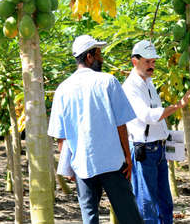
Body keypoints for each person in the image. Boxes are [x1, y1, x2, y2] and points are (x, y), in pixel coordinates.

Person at [47, 35, 143, 224]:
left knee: (89, 217)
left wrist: (68, 165)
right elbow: (120, 123)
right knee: (129, 216)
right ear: (89, 57)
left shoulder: (62, 89)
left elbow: (61, 135)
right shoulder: (108, 81)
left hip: (82, 164)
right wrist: (126, 156)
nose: (102, 58)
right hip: (112, 163)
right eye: (99, 54)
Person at [122, 40, 190, 224]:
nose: (152, 66)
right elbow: (148, 116)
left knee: (165, 203)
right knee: (147, 205)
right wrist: (178, 106)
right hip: (144, 150)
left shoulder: (149, 82)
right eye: (148, 62)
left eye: (153, 62)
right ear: (134, 61)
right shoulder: (130, 87)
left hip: (158, 149)